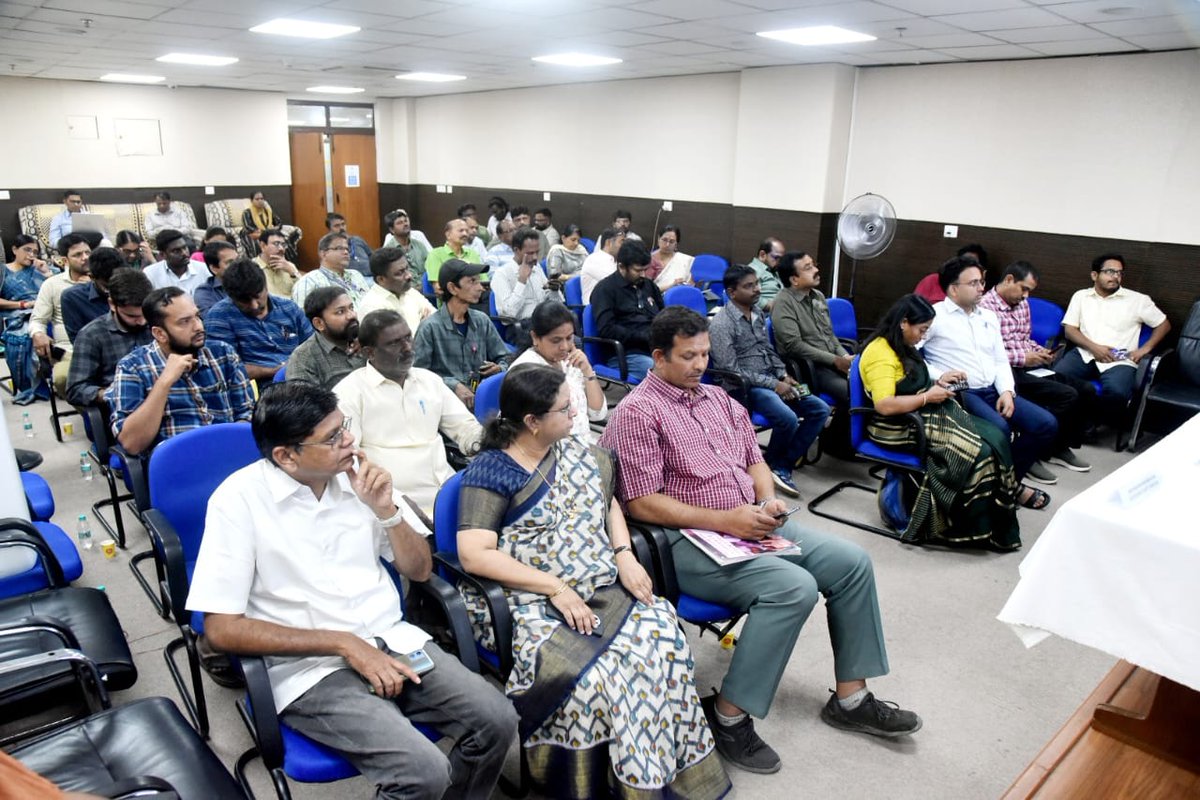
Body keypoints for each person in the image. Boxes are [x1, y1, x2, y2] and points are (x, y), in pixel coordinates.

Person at [599, 307, 923, 775]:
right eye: (688, 356)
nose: (699, 365)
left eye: (705, 354)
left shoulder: (717, 399)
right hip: (684, 539)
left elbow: (756, 462)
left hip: (747, 521)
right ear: (658, 357)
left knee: (852, 562)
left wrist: (768, 501)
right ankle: (728, 716)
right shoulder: (637, 412)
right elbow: (642, 503)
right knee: (792, 588)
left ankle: (851, 700)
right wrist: (726, 521)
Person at [186, 381, 518, 800]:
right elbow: (221, 629)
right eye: (333, 438)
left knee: (497, 720)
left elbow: (419, 571)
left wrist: (388, 513)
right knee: (423, 772)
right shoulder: (237, 502)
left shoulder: (359, 477)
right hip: (311, 668)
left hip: (391, 639)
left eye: (345, 427)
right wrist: (343, 644)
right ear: (286, 456)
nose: (350, 442)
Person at [457, 364, 729, 799]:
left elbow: (610, 505)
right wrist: (556, 587)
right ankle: (586, 784)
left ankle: (652, 773)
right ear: (532, 422)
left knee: (662, 639)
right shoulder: (493, 470)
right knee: (600, 676)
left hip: (600, 582)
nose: (575, 414)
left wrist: (624, 555)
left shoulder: (577, 451)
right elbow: (474, 554)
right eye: (565, 409)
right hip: (527, 599)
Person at [860, 294, 1026, 545]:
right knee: (976, 451)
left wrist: (939, 381)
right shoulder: (880, 353)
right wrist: (927, 397)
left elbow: (913, 380)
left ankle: (988, 520)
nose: (923, 336)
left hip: (917, 411)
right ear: (904, 322)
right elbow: (884, 405)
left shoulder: (900, 344)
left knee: (995, 437)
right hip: (895, 424)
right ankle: (953, 525)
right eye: (922, 329)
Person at [922, 256, 1058, 494]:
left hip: (993, 389)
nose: (981, 288)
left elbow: (999, 359)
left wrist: (1006, 390)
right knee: (1000, 430)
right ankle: (1003, 487)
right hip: (962, 393)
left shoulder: (988, 317)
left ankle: (1006, 484)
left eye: (982, 282)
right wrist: (938, 374)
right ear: (954, 289)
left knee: (1045, 424)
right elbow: (910, 357)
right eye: (973, 283)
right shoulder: (934, 317)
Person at [335, 309, 482, 517]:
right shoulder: (350, 392)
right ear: (369, 352)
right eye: (395, 343)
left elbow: (465, 427)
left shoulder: (429, 380)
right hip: (395, 504)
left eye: (408, 338)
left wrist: (489, 444)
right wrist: (389, 505)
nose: (408, 348)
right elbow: (349, 460)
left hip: (449, 491)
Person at [709, 265, 831, 498]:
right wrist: (774, 384)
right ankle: (773, 465)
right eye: (749, 286)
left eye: (757, 284)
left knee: (820, 408)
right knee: (787, 418)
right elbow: (730, 370)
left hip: (774, 379)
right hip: (746, 388)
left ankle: (781, 464)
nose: (757, 289)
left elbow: (768, 350)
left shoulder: (757, 313)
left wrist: (783, 374)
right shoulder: (722, 324)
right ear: (732, 292)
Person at [978, 260, 1095, 477]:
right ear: (1009, 279)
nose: (1026, 296)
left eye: (1029, 291)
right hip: (1008, 370)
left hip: (1028, 365)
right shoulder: (985, 308)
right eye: (1024, 289)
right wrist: (1024, 358)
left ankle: (1057, 447)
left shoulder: (1022, 304)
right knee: (1066, 395)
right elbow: (987, 353)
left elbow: (1024, 338)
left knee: (1085, 389)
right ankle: (1031, 452)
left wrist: (1040, 352)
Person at [109, 286, 254, 456]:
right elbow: (132, 443)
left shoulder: (223, 353)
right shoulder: (132, 367)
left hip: (229, 452)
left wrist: (231, 444)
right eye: (185, 322)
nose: (198, 326)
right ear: (160, 334)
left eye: (197, 316)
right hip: (177, 464)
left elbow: (247, 412)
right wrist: (164, 382)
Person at [1055, 252, 1171, 423]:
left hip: (1120, 360)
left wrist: (1145, 349)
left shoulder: (1137, 300)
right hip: (1085, 354)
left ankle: (1091, 421)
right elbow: (1070, 330)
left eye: (1119, 273)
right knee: (1056, 378)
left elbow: (1164, 324)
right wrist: (1095, 348)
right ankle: (1076, 420)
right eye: (1110, 271)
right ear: (1095, 275)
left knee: (1118, 393)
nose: (1115, 276)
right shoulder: (1081, 296)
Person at [413, 259, 511, 410]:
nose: (480, 288)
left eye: (479, 281)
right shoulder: (430, 328)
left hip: (479, 400)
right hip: (445, 406)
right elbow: (418, 375)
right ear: (452, 288)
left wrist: (499, 368)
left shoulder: (481, 321)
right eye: (472, 281)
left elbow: (505, 357)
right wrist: (452, 385)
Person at [204, 259, 312, 384]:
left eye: (257, 297)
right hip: (258, 389)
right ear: (231, 297)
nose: (254, 306)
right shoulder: (219, 317)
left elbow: (312, 347)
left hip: (303, 378)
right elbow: (224, 369)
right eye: (245, 301)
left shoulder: (289, 308)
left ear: (265, 287)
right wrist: (273, 370)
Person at [510, 301, 608, 439]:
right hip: (552, 450)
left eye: (569, 338)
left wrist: (587, 371)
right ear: (535, 337)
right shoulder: (525, 372)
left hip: (582, 445)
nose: (565, 346)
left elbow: (598, 414)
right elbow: (528, 434)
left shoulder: (572, 361)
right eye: (556, 341)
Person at [771, 250, 852, 407]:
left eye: (814, 265)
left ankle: (838, 431)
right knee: (852, 392)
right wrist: (835, 360)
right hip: (809, 368)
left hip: (831, 361)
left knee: (871, 385)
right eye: (808, 268)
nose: (816, 270)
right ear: (794, 279)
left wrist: (844, 356)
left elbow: (829, 334)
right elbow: (794, 345)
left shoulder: (818, 296)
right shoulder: (783, 303)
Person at [66, 269, 154, 409]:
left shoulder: (158, 322)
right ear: (112, 304)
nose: (142, 322)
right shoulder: (92, 335)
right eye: (132, 316)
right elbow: (75, 389)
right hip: (122, 408)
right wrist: (111, 393)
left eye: (144, 314)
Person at [590, 239, 661, 382]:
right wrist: (642, 336)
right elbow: (607, 329)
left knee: (684, 363)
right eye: (638, 270)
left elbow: (663, 316)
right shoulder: (605, 290)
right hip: (625, 353)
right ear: (621, 266)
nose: (643, 275)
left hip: (654, 348)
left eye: (645, 270)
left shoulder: (649, 286)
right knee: (663, 372)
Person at [30, 234, 91, 396]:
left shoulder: (101, 280)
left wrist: (92, 288)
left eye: (87, 253)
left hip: (103, 345)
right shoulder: (52, 284)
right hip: (68, 349)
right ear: (65, 260)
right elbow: (37, 320)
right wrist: (38, 333)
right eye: (77, 255)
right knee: (62, 379)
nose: (85, 258)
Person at [1, 234, 56, 404]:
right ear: (14, 250)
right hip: (18, 313)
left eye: (35, 252)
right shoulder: (3, 270)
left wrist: (46, 272)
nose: (31, 255)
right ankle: (31, 386)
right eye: (27, 250)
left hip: (44, 310)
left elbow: (59, 291)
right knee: (24, 336)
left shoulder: (41, 270)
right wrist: (23, 305)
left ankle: (57, 380)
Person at [286, 287, 366, 389]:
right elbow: (306, 403)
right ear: (319, 323)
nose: (351, 315)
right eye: (340, 312)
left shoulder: (367, 340)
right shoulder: (303, 358)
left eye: (351, 308)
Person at [490, 227, 552, 347]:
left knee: (574, 341)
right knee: (552, 345)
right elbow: (509, 314)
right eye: (529, 253)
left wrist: (554, 291)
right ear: (516, 250)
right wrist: (521, 281)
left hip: (544, 322)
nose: (535, 258)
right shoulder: (502, 274)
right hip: (519, 328)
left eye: (537, 252)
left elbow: (552, 302)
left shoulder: (537, 268)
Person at [358, 247, 435, 334]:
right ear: (381, 279)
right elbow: (393, 344)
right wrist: (423, 330)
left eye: (407, 269)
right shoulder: (371, 306)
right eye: (400, 273)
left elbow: (435, 320)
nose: (409, 276)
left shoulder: (410, 292)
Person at [291, 232, 371, 310]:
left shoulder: (356, 274)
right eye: (339, 248)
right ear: (323, 254)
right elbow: (302, 318)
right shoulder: (309, 281)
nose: (346, 252)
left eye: (347, 249)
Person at [61, 246, 124, 340]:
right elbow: (78, 340)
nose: (113, 291)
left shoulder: (134, 287)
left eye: (118, 284)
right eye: (107, 287)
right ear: (91, 277)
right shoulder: (73, 297)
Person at [425, 218, 484, 291]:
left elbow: (484, 281)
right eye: (461, 230)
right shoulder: (435, 254)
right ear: (448, 234)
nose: (465, 234)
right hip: (450, 300)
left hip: (478, 297)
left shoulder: (472, 253)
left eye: (466, 231)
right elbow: (438, 288)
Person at [144, 229, 207, 295]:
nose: (184, 253)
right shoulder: (150, 274)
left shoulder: (203, 269)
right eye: (176, 251)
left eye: (185, 248)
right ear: (163, 255)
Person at [252, 227, 301, 299]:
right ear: (263, 246)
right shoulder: (251, 267)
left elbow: (304, 291)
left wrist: (292, 273)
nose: (281, 248)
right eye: (276, 244)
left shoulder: (289, 266)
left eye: (283, 245)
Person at [192, 241, 239, 315]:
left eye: (238, 259)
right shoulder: (205, 292)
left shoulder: (251, 281)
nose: (238, 265)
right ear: (214, 268)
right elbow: (215, 320)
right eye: (230, 262)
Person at [579, 227, 625, 304]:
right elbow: (617, 283)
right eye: (621, 242)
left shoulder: (614, 260)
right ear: (608, 243)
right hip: (596, 307)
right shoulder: (596, 259)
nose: (624, 246)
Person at [381, 209, 429, 280]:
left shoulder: (419, 245)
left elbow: (430, 267)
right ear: (392, 230)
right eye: (400, 223)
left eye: (405, 221)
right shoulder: (388, 251)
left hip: (425, 287)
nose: (405, 224)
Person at [647, 225, 694, 291]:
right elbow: (646, 290)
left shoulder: (684, 260)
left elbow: (691, 283)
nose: (667, 245)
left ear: (676, 244)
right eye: (664, 240)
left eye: (671, 242)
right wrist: (671, 286)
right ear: (658, 239)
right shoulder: (650, 259)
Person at [239, 190, 283, 257]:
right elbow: (248, 227)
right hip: (253, 235)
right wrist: (262, 231)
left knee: (281, 239)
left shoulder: (267, 211)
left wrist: (275, 228)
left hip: (267, 233)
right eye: (257, 199)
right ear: (252, 201)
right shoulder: (247, 212)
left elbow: (279, 222)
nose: (260, 201)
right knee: (256, 243)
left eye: (262, 199)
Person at [326, 212, 372, 277]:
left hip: (372, 276)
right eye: (337, 226)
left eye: (343, 224)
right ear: (329, 229)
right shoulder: (330, 247)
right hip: (351, 279)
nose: (341, 228)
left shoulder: (357, 239)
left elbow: (372, 256)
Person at [747, 237, 785, 312]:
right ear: (762, 255)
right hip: (767, 316)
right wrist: (771, 306)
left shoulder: (774, 271)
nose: (779, 262)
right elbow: (749, 296)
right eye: (776, 257)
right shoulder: (752, 271)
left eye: (782, 259)